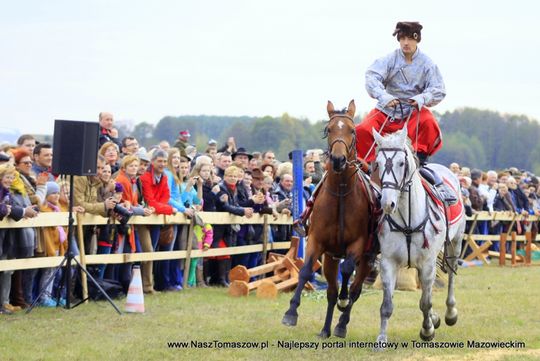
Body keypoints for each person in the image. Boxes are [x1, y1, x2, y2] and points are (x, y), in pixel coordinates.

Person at [355, 21, 456, 204]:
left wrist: (421, 99)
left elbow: (439, 89)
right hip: (388, 109)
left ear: (417, 40)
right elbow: (371, 77)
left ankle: (419, 161)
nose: (405, 43)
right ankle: (368, 167)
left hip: (413, 110)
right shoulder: (389, 59)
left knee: (429, 122)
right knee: (363, 129)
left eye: (409, 38)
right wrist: (384, 96)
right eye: (402, 38)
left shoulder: (427, 64)